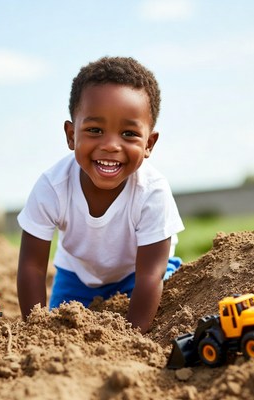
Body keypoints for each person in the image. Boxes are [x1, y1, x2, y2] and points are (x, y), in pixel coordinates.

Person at [17, 56, 184, 333]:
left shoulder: (152, 192)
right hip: (76, 277)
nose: (110, 146)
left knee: (168, 299)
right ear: (71, 135)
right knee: (62, 328)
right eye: (94, 130)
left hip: (138, 274)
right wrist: (36, 328)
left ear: (149, 143)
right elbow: (32, 268)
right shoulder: (52, 186)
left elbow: (150, 275)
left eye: (129, 134)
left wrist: (131, 339)